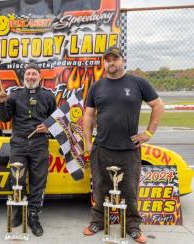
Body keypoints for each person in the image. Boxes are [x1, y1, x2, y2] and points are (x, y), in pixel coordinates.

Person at [83, 46, 164, 243]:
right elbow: (88, 115)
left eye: (115, 59)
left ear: (122, 60)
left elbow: (158, 105)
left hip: (129, 150)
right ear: (104, 63)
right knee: (100, 187)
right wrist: (87, 141)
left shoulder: (137, 83)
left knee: (129, 190)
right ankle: (97, 221)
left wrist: (148, 133)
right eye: (107, 59)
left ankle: (133, 227)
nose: (111, 63)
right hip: (102, 147)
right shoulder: (96, 86)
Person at [0, 63, 56, 236]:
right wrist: (1, 102)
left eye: (34, 74)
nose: (30, 77)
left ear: (40, 76)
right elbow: (5, 117)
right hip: (19, 143)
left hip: (39, 144)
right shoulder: (14, 95)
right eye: (28, 74)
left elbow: (55, 119)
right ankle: (17, 211)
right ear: (23, 78)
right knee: (17, 178)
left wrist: (47, 126)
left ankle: (33, 215)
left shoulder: (48, 96)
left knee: (39, 180)